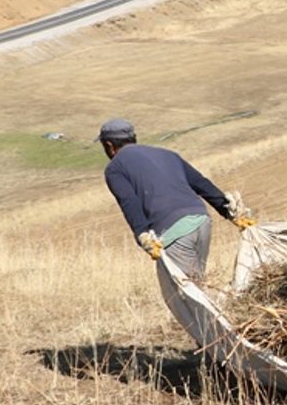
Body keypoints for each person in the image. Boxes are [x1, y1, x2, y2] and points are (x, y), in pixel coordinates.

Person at [97, 118, 237, 282]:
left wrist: (142, 234)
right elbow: (200, 183)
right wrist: (230, 211)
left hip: (174, 232)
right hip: (201, 221)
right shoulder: (167, 154)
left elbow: (129, 202)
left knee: (185, 295)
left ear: (109, 146)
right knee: (197, 286)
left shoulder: (115, 168)